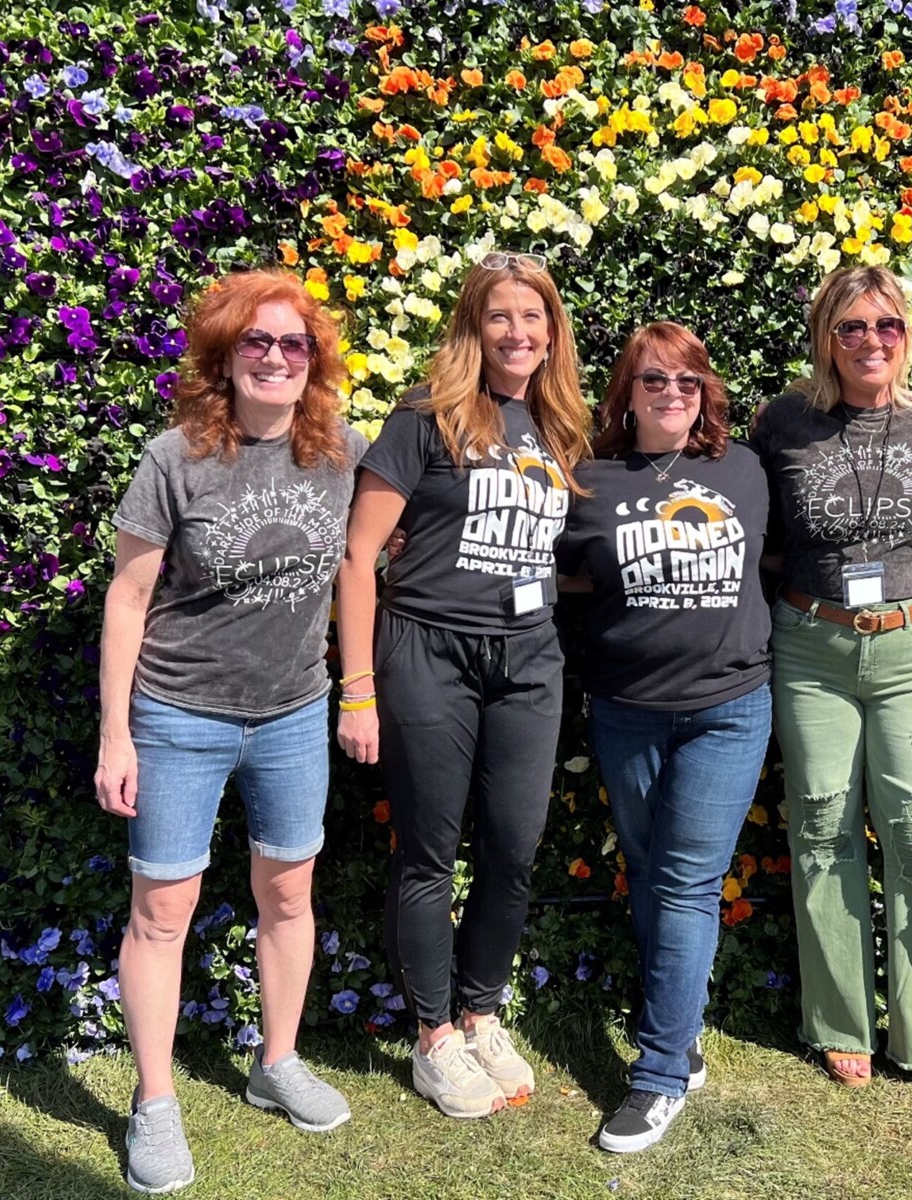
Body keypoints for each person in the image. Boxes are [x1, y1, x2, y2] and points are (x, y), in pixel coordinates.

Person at [96, 269, 364, 1194]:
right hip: (178, 717)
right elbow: (128, 600)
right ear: (224, 356)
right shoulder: (175, 458)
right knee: (161, 912)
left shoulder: (339, 452)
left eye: (294, 344)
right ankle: (156, 1102)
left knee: (289, 897)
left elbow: (379, 551)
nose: (277, 358)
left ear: (314, 361)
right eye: (257, 342)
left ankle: (275, 1062)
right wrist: (116, 735)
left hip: (293, 711)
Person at [335, 249, 589, 1117]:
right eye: (499, 317)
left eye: (533, 316)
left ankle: (481, 1014)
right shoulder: (425, 417)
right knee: (430, 856)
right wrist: (358, 688)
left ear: (552, 330)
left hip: (528, 661)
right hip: (429, 653)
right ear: (472, 327)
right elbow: (359, 555)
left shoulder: (558, 426)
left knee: (514, 850)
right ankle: (434, 1037)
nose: (518, 333)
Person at [751, 265, 912, 1091]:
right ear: (825, 337)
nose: (869, 342)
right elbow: (760, 531)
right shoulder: (783, 422)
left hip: (911, 646)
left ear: (905, 334)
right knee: (821, 828)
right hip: (813, 646)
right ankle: (839, 1019)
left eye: (885, 325)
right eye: (850, 327)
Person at [557, 322, 772, 1152]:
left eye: (687, 382)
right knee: (648, 869)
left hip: (729, 706)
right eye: (654, 382)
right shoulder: (591, 478)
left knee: (684, 881)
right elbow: (560, 569)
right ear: (628, 392)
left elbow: (782, 557)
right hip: (627, 708)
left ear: (705, 390)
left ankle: (655, 1075)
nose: (672, 395)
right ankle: (679, 1038)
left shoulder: (745, 470)